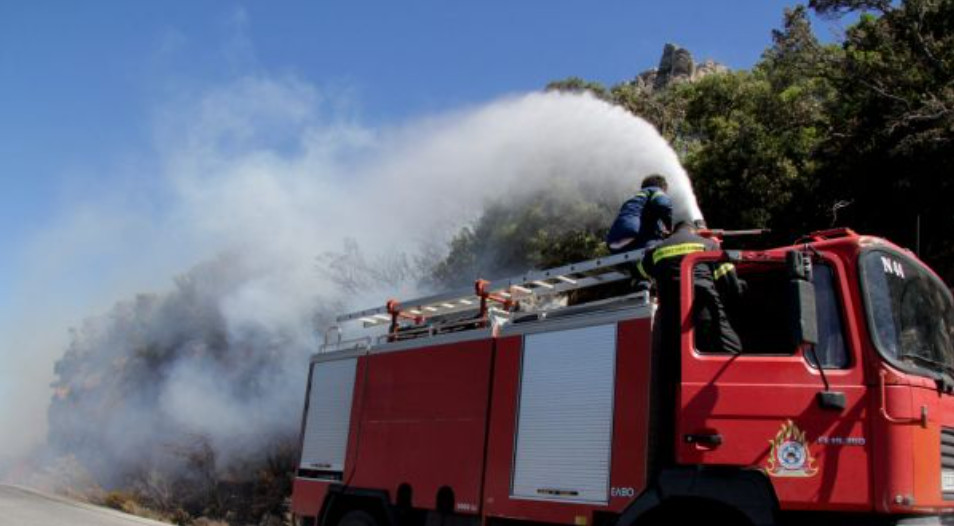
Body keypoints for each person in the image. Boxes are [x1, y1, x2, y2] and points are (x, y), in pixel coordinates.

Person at [636, 220, 744, 354]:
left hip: (670, 318)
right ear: (695, 231)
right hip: (705, 311)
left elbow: (640, 271)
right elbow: (730, 283)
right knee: (732, 349)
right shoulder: (709, 244)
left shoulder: (656, 250)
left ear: (673, 232)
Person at [605, 175, 674, 254]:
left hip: (617, 244)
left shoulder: (636, 198)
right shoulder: (656, 190)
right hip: (643, 241)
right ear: (663, 187)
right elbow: (662, 204)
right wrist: (669, 227)